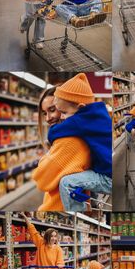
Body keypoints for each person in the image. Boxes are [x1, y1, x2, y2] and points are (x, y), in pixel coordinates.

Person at [47, 73, 112, 212]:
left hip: (108, 178)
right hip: (108, 169)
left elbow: (53, 133)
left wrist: (56, 128)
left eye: (64, 112)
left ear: (81, 107)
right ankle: (85, 205)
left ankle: (78, 214)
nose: (62, 117)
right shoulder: (99, 113)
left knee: (66, 183)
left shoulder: (81, 120)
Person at [32, 83, 91, 212]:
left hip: (59, 207)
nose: (48, 118)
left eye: (52, 110)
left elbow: (41, 179)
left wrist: (44, 159)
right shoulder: (77, 133)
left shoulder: (69, 140)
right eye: (44, 113)